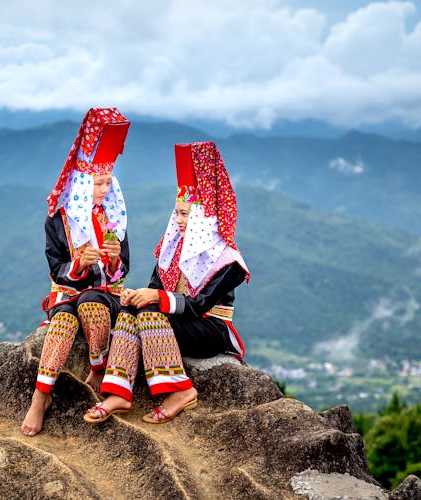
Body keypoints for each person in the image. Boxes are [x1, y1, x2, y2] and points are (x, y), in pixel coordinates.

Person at [84, 141, 250, 424]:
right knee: (131, 311)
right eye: (177, 213)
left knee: (149, 311)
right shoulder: (172, 248)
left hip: (211, 328)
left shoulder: (229, 261)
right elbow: (156, 289)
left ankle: (181, 390)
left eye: (186, 213)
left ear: (203, 216)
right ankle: (118, 391)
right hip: (175, 320)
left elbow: (198, 305)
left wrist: (155, 298)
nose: (179, 220)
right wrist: (136, 296)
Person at [22, 108, 131, 436]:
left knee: (92, 302)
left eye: (108, 181)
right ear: (81, 183)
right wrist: (80, 264)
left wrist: (113, 260)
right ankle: (41, 397)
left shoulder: (111, 215)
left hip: (104, 296)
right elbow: (56, 268)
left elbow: (123, 268)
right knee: (66, 318)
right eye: (97, 182)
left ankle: (98, 367)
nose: (103, 189)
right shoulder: (58, 218)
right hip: (68, 293)